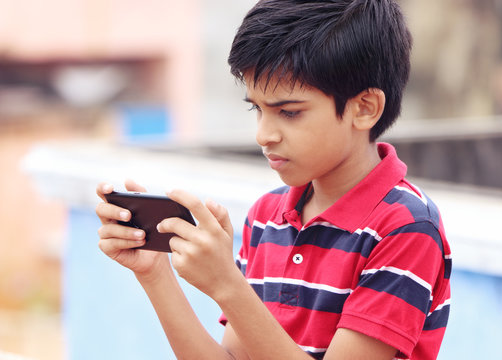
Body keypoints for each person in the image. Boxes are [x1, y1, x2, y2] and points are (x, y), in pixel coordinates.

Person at [95, 0, 452, 359]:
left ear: (364, 108)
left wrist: (227, 285)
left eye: (289, 112)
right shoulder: (267, 215)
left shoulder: (406, 227)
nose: (264, 134)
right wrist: (156, 274)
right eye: (257, 109)